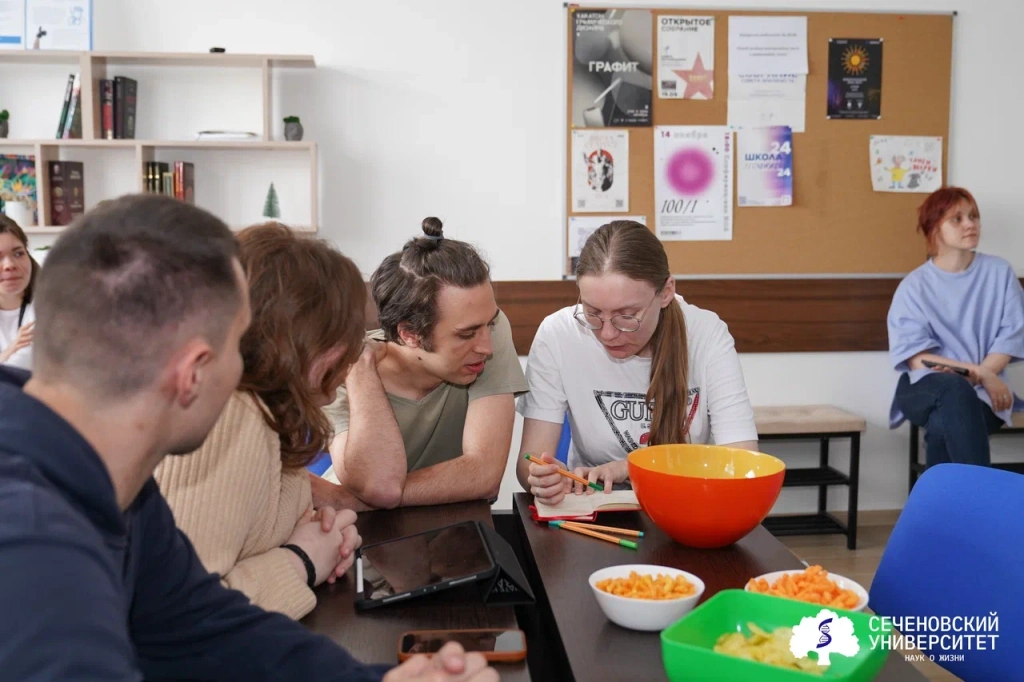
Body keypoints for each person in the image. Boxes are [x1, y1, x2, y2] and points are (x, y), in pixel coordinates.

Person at [0, 194, 497, 682]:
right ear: (193, 372)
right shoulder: (34, 543)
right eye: (239, 347)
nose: (250, 371)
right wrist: (299, 563)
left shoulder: (116, 485)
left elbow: (200, 626)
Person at [154, 222, 366, 620]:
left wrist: (319, 534)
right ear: (303, 341)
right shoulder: (232, 417)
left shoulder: (265, 407)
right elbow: (179, 613)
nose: (354, 354)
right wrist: (302, 561)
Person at [516, 220, 759, 504]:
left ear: (666, 292)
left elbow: (744, 463)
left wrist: (629, 467)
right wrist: (544, 479)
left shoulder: (706, 334)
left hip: (685, 505)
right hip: (593, 505)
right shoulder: (558, 334)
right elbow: (529, 464)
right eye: (593, 313)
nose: (607, 333)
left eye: (627, 316)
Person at [323, 217, 527, 509]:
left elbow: (484, 475)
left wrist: (353, 499)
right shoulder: (343, 369)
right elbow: (379, 485)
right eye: (466, 335)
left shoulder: (484, 327)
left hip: (431, 519)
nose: (486, 346)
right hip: (348, 527)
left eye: (489, 323)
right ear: (410, 334)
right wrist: (360, 370)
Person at [887, 186, 1024, 468]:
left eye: (973, 216)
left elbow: (1012, 335)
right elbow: (918, 360)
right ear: (934, 228)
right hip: (925, 387)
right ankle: (978, 492)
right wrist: (982, 373)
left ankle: (950, 498)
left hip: (986, 393)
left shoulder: (999, 273)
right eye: (957, 219)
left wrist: (982, 377)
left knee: (942, 425)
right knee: (952, 387)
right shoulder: (914, 286)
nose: (970, 224)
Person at [0, 214, 38, 370]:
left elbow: (21, 368)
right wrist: (9, 351)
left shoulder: (49, 307)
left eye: (18, 254)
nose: (9, 265)